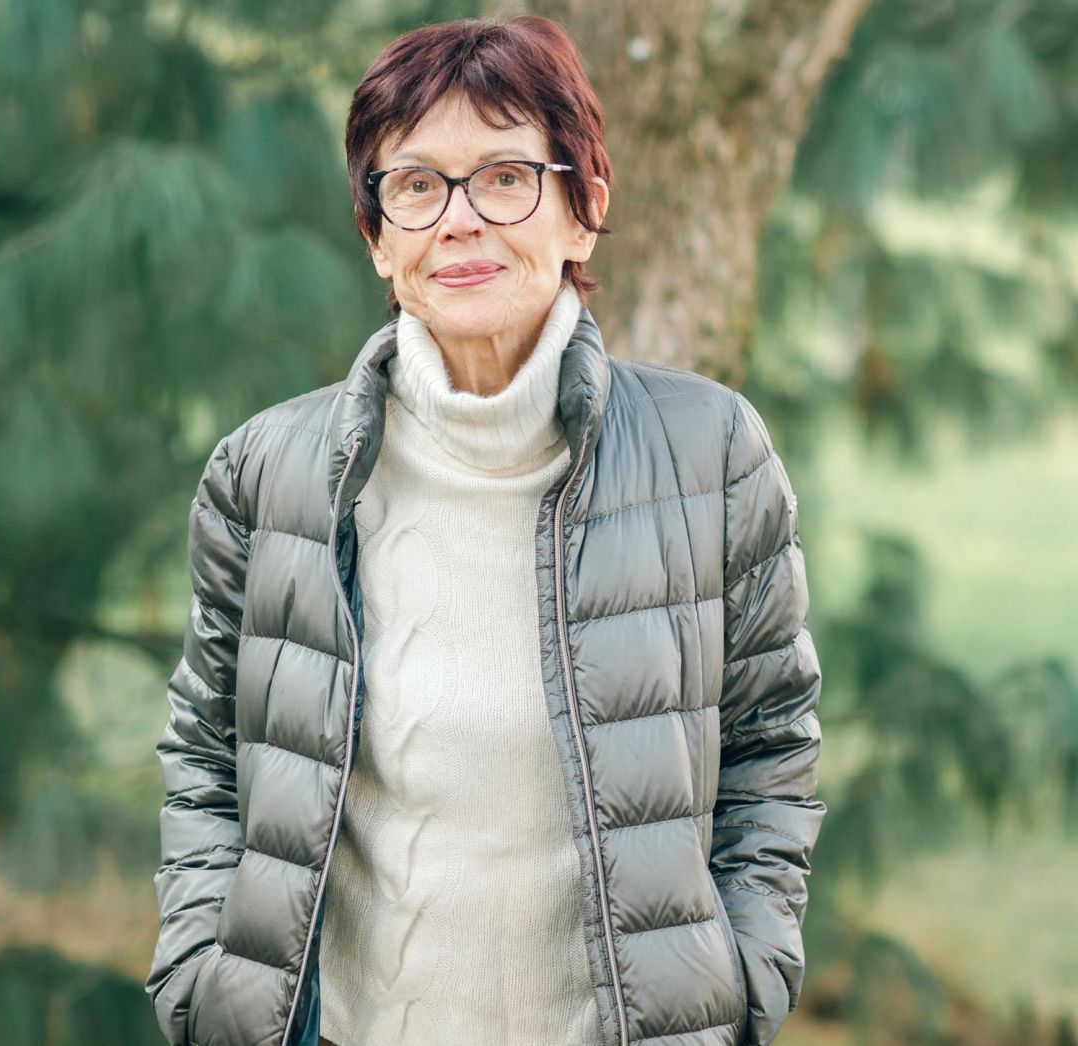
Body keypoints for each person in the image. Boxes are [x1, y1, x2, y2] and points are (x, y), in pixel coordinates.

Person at [144, 15, 826, 1046]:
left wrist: (740, 983)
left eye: (506, 177)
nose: (459, 220)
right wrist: (205, 977)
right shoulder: (267, 473)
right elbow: (205, 750)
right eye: (417, 185)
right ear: (379, 237)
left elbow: (772, 743)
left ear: (585, 211)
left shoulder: (711, 453)